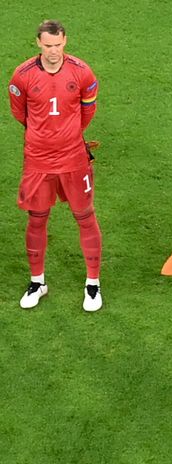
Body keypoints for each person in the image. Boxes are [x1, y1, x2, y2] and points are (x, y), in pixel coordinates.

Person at [9, 19, 103, 312]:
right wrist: (45, 136)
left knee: (85, 216)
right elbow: (20, 113)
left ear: (65, 40)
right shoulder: (22, 75)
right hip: (38, 160)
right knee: (37, 218)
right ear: (38, 43)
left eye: (58, 44)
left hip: (73, 158)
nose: (53, 51)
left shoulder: (82, 71)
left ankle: (93, 285)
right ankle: (37, 281)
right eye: (48, 45)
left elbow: (88, 110)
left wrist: (68, 135)